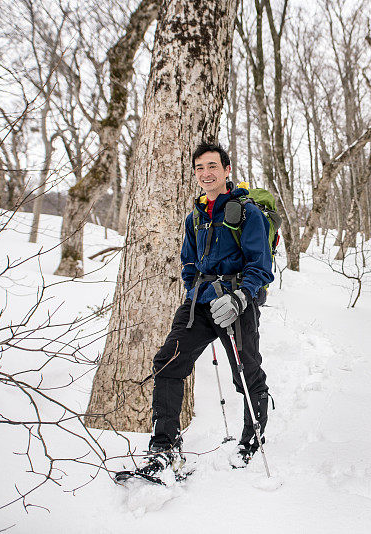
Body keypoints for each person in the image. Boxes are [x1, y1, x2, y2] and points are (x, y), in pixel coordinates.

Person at [140, 142, 274, 476]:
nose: (205, 173)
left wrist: (239, 298)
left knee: (246, 374)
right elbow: (188, 262)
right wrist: (196, 289)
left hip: (237, 305)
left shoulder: (248, 213)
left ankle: (252, 439)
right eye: (199, 168)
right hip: (200, 303)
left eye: (212, 166)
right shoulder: (195, 217)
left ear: (227, 170)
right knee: (168, 363)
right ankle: (164, 448)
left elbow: (262, 265)